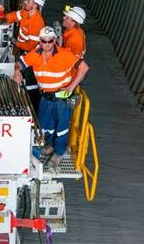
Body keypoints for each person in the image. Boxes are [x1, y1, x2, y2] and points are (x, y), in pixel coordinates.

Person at [13, 26, 89, 169]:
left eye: (50, 41)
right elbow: (19, 63)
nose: (47, 44)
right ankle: (50, 145)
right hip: (45, 98)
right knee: (45, 125)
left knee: (61, 128)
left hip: (61, 99)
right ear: (40, 41)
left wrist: (71, 87)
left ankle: (59, 152)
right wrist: (17, 71)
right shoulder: (35, 54)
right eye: (43, 41)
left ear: (54, 40)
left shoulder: (64, 54)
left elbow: (84, 68)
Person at [5, 0, 46, 112]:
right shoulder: (25, 13)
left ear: (36, 5)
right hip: (23, 53)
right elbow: (13, 16)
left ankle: (33, 110)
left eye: (29, 1)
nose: (25, 2)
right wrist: (1, 18)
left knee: (30, 85)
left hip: (31, 58)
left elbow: (30, 46)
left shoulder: (37, 22)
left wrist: (15, 42)